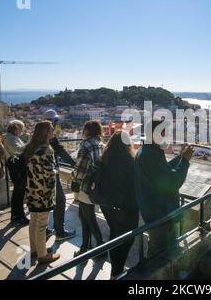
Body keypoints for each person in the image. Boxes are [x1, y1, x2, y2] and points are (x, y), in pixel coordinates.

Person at [134, 120, 193, 256]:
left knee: (157, 249)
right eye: (164, 134)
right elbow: (171, 183)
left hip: (154, 211)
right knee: (162, 253)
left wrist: (180, 157)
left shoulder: (148, 150)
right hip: (160, 214)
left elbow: (163, 171)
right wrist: (184, 161)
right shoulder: (151, 155)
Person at [94, 131, 139, 278]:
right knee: (127, 239)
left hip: (107, 206)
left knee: (114, 235)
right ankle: (117, 271)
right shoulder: (131, 162)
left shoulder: (103, 159)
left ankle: (115, 272)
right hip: (126, 208)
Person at [23, 121, 60, 264]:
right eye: (51, 130)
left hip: (32, 190)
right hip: (43, 193)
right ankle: (42, 255)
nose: (54, 132)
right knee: (42, 224)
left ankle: (34, 249)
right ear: (46, 133)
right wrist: (55, 171)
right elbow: (49, 173)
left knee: (33, 220)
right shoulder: (46, 150)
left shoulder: (30, 147)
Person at [71, 121, 104, 257]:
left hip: (85, 186)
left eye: (84, 129)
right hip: (95, 185)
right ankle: (85, 247)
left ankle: (100, 248)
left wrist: (73, 177)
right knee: (84, 215)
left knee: (89, 217)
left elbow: (80, 169)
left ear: (87, 131)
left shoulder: (86, 144)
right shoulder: (99, 144)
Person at [43, 109, 76, 241]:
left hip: (40, 175)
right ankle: (60, 231)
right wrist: (75, 164)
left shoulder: (36, 135)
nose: (57, 124)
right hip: (51, 173)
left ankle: (44, 230)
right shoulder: (50, 137)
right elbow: (61, 152)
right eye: (56, 121)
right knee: (60, 201)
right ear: (52, 122)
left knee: (45, 203)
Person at [3, 119, 28, 225]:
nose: (22, 131)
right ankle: (19, 216)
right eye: (21, 129)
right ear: (16, 128)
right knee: (19, 192)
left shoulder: (11, 137)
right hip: (16, 167)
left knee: (18, 192)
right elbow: (18, 151)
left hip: (15, 167)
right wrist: (30, 143)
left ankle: (16, 215)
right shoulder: (9, 138)